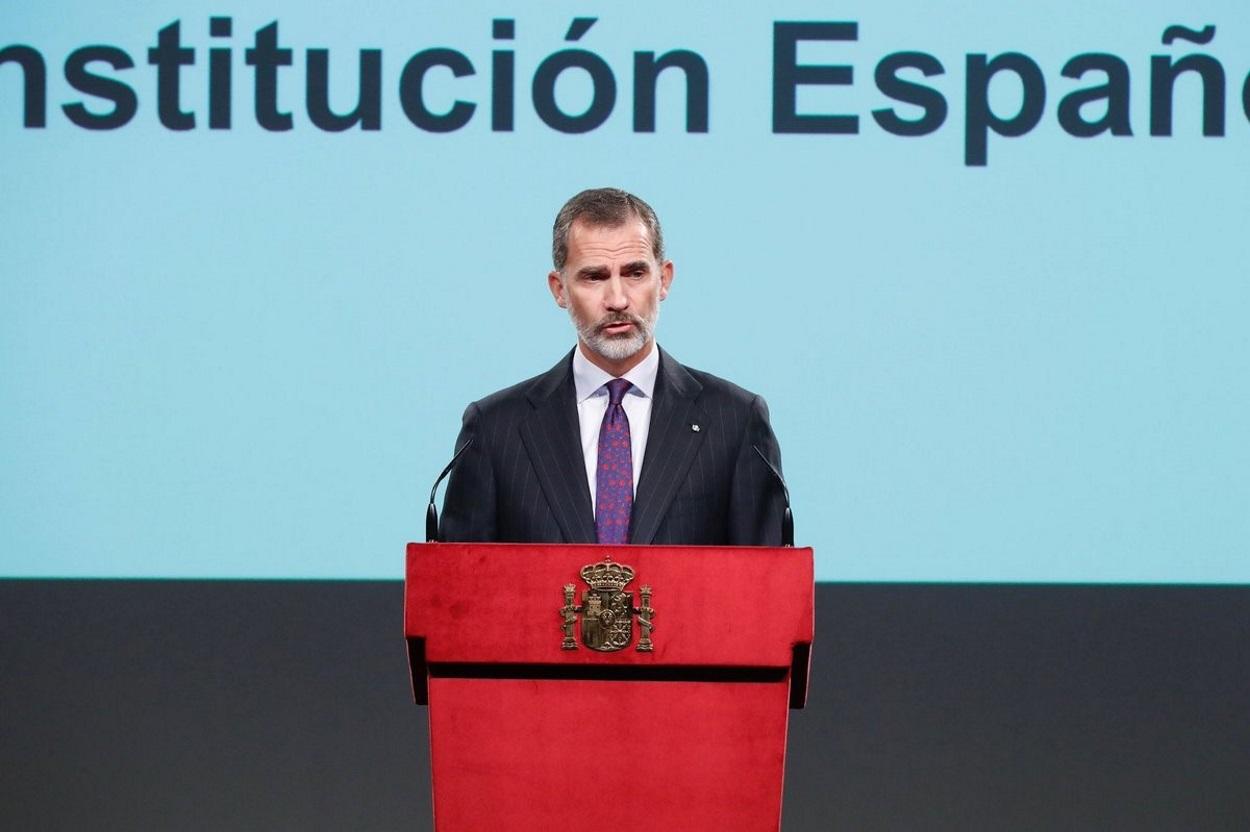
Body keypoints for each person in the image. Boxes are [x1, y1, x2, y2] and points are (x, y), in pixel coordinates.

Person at [439, 187, 786, 546]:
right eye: (594, 277)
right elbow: (459, 592)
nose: (618, 300)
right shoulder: (495, 430)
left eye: (635, 273)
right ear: (559, 289)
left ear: (663, 279)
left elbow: (764, 588)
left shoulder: (735, 421)